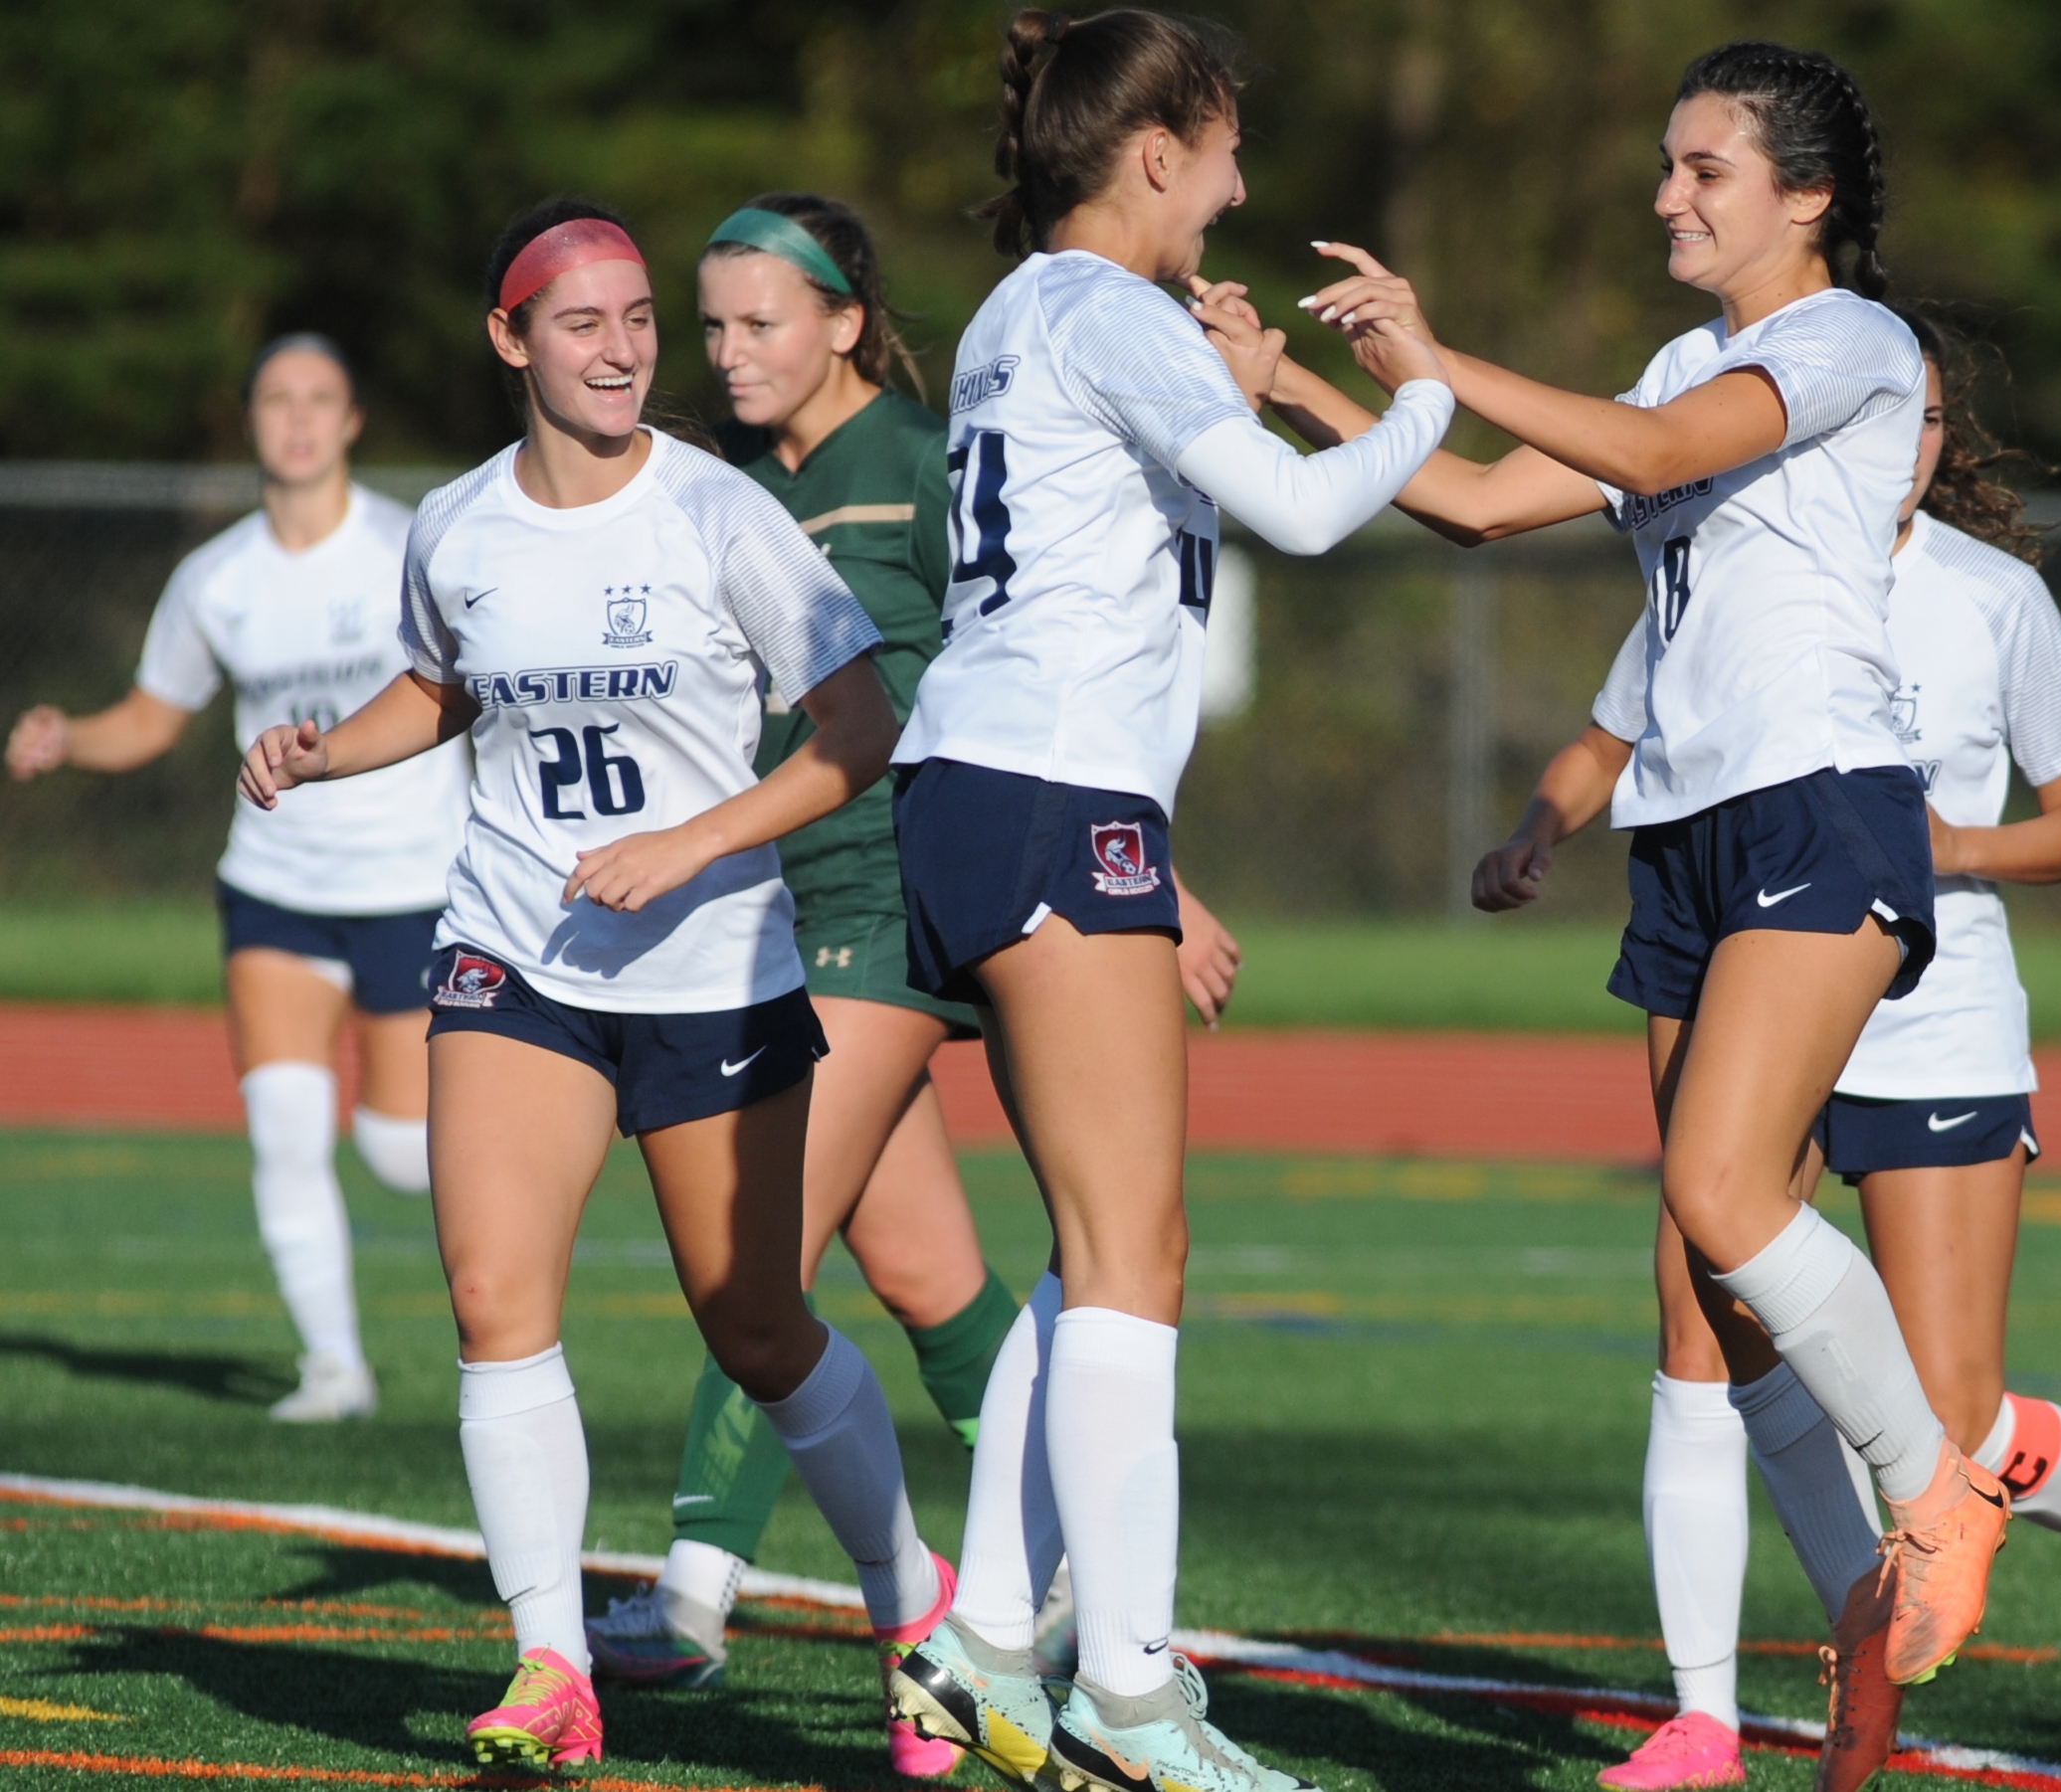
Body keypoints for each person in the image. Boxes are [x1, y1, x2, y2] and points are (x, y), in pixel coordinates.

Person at [1259, 37, 2008, 1780]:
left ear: (1800, 198)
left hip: (1823, 803)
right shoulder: (1689, 350)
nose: (1665, 194)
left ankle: (1937, 1488)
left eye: (1703, 169)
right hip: (1683, 835)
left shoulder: (1845, 341)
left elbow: (1662, 442)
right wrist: (1299, 392)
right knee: (1698, 1289)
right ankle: (1732, 1713)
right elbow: (1466, 503)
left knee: (1718, 1191)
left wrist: (1444, 355)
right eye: (1666, 166)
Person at [239, 197, 951, 1772]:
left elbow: (857, 728)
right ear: (512, 340)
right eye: (585, 322)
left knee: (756, 1320)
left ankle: (916, 1606)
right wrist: (322, 749)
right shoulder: (461, 525)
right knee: (497, 1303)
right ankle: (550, 1661)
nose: (626, 347)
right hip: (513, 954)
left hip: (710, 968)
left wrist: (694, 842)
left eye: (641, 317)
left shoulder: (718, 516)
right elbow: (441, 687)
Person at [579, 194, 1248, 1774]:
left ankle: (697, 1586)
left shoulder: (929, 458)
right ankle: (1015, 1595)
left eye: (760, 321)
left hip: (894, 889)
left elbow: (1029, 663)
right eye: (713, 323)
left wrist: (1168, 876)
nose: (728, 352)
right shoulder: (721, 484)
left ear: (847, 320)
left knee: (762, 1254)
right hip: (770, 896)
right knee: (932, 1277)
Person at [875, 14, 1453, 1792]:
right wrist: (1421, 394)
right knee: (1139, 1254)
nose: (1239, 188)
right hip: (1048, 791)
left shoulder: (1020, 310)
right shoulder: (1104, 312)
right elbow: (1294, 511)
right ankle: (1129, 1689)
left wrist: (1235, 372)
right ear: (1149, 152)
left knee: (1092, 1247)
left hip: (996, 785)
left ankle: (981, 1638)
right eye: (1218, 153)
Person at [1582, 312, 2061, 1792]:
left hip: (1935, 1015)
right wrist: (1543, 823)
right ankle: (1740, 1706)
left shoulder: (1991, 598)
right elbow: (1615, 729)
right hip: (1777, 977)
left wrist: (1952, 843)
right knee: (1713, 1338)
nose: (1909, 444)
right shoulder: (1742, 553)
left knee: (1946, 1423)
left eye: (1934, 423)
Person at [8, 333, 466, 1423]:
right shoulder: (214, 578)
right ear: (253, 420)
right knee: (283, 1127)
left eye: (321, 397)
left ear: (352, 421)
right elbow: (154, 717)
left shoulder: (413, 550)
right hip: (273, 884)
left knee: (404, 1152)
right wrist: (68, 737)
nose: (298, 417)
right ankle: (333, 1368)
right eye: (276, 398)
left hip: (409, 884)